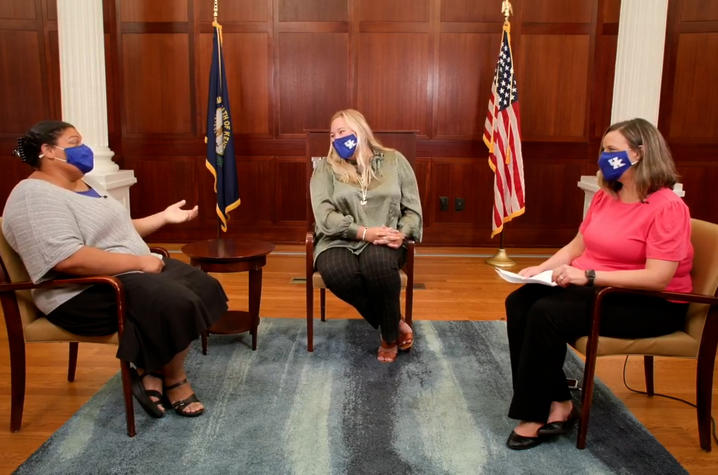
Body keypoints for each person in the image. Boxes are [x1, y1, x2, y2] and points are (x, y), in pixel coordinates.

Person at [3, 120, 229, 419]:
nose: (83, 150)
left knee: (204, 287)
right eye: (74, 143)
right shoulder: (34, 196)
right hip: (80, 291)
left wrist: (163, 217)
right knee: (176, 301)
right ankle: (174, 378)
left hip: (126, 274)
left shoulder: (84, 184)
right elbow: (67, 259)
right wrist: (138, 262)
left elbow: (119, 231)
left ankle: (151, 370)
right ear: (48, 151)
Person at [504, 118, 693, 450]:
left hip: (652, 303)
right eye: (603, 150)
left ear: (639, 153)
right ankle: (559, 401)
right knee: (519, 302)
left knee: (547, 312)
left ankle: (533, 414)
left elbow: (658, 277)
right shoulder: (608, 196)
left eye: (612, 150)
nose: (604, 158)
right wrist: (541, 269)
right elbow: (578, 246)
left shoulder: (668, 206)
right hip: (601, 289)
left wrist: (588, 276)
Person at [310, 109, 423, 363]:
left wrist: (401, 234)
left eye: (342, 131)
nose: (336, 138)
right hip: (337, 239)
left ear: (360, 130)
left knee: (378, 265)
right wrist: (362, 232)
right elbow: (324, 215)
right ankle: (392, 323)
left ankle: (389, 338)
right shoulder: (326, 169)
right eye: (332, 134)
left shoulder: (395, 161)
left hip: (384, 236)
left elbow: (413, 211)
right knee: (339, 274)